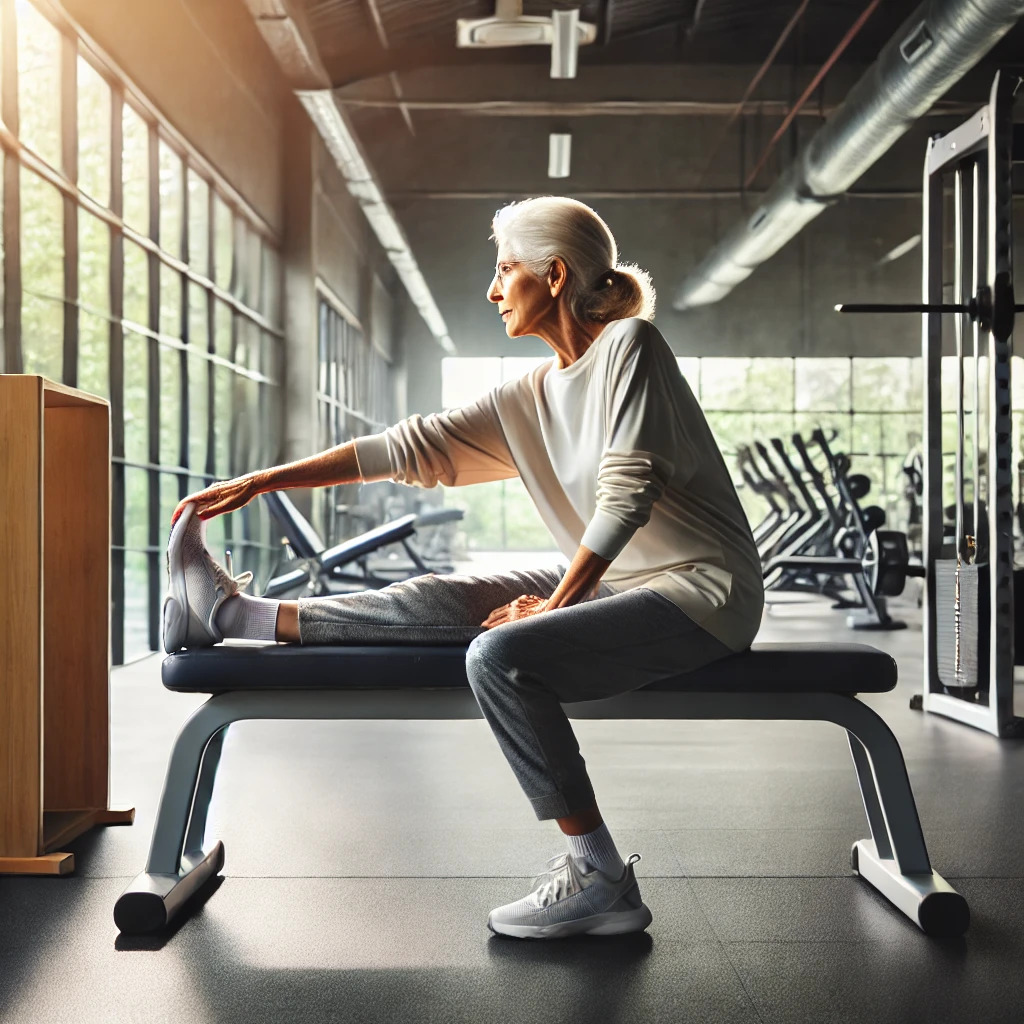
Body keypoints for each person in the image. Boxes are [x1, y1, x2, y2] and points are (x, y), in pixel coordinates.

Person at [162, 196, 765, 940]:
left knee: (502, 655)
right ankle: (234, 616)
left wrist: (554, 605)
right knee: (445, 596)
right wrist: (264, 480)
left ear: (555, 275)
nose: (492, 289)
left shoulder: (629, 347)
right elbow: (410, 446)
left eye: (505, 269)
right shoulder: (531, 394)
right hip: (621, 586)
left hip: (703, 594)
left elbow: (627, 490)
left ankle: (600, 875)